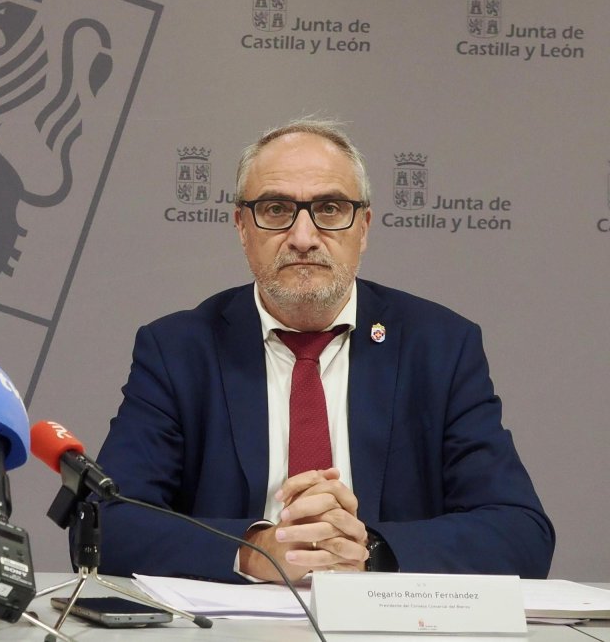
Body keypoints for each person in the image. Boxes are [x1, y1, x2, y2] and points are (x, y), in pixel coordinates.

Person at [94, 118, 554, 583]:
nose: (303, 237)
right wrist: (255, 550)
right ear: (241, 226)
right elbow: (105, 523)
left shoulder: (439, 347)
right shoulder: (178, 351)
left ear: (364, 226)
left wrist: (368, 550)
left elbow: (521, 534)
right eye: (276, 209)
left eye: (330, 208)